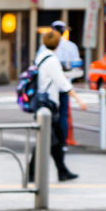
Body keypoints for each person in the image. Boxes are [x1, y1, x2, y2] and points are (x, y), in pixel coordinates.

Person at [30, 29, 88, 182]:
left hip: (41, 102)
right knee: (51, 138)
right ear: (58, 43)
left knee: (52, 139)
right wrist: (79, 100)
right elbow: (62, 83)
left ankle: (61, 171)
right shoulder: (52, 60)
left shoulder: (41, 57)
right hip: (48, 104)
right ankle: (34, 174)